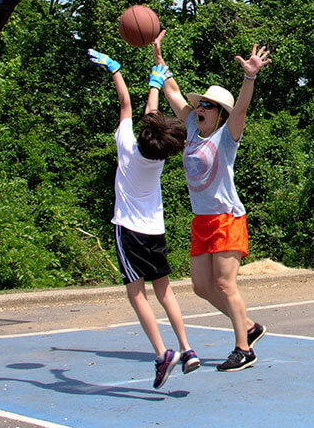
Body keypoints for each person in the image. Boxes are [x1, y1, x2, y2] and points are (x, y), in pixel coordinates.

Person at [151, 31, 270, 372]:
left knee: (224, 283)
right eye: (199, 103)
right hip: (201, 220)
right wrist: (159, 58)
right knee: (201, 286)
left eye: (207, 106)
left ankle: (243, 348)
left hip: (226, 218)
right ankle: (248, 325)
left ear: (220, 114)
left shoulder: (227, 136)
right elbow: (172, 89)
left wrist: (250, 75)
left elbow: (243, 106)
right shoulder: (190, 127)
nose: (200, 108)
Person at [86, 48, 200, 390]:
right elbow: (144, 113)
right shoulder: (159, 155)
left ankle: (162, 353)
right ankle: (187, 348)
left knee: (137, 294)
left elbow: (125, 106)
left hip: (130, 231)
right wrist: (153, 77)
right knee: (165, 292)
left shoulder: (127, 145)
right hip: (156, 230)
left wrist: (114, 68)